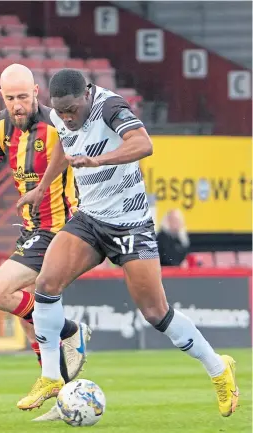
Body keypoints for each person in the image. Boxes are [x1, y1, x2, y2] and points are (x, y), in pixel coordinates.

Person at [16, 69, 239, 417]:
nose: (68, 117)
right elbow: (63, 143)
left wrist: (99, 159)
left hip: (129, 223)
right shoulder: (61, 115)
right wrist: (43, 187)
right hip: (90, 220)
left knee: (156, 313)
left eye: (73, 109)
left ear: (87, 94)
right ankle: (50, 377)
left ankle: (218, 368)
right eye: (61, 112)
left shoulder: (109, 107)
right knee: (45, 284)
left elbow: (143, 143)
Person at [0, 64, 91, 421]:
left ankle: (69, 332)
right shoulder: (0, 126)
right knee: (31, 317)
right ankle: (60, 391)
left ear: (36, 93)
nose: (17, 105)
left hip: (60, 229)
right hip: (31, 230)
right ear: (2, 96)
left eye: (23, 97)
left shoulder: (57, 124)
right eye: (11, 98)